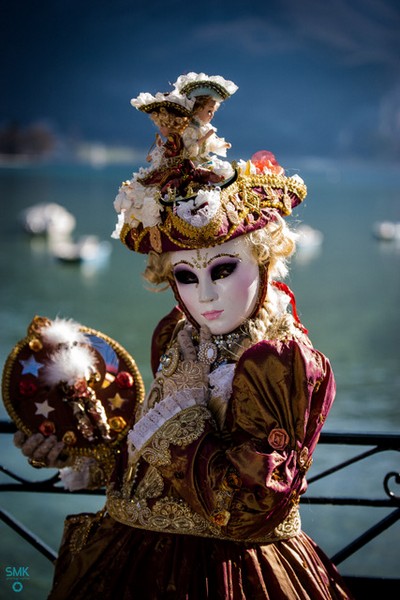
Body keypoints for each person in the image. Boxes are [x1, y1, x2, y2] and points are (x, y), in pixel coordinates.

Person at [12, 76, 354, 599]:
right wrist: (86, 451)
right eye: (186, 277)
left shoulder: (279, 360)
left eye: (222, 269)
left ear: (263, 258)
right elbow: (155, 469)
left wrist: (190, 408)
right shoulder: (177, 335)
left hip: (226, 576)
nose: (205, 296)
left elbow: (249, 510)